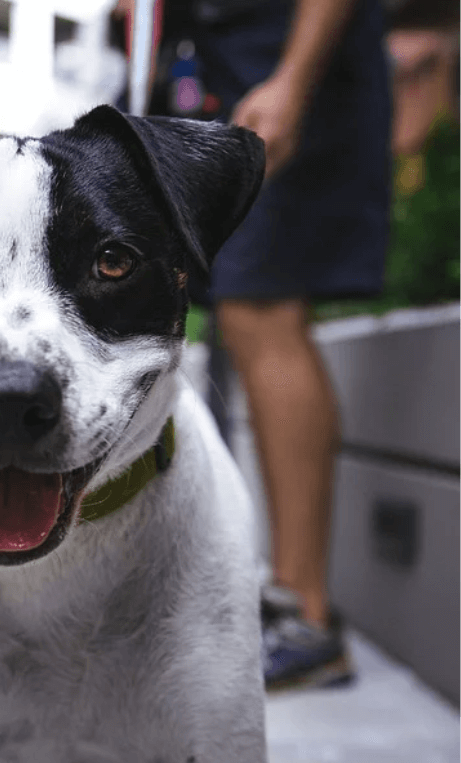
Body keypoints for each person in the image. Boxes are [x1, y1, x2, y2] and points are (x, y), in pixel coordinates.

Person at [115, 0, 393, 691]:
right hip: (214, 59)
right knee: (214, 314)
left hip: (284, 58)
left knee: (260, 310)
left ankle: (306, 617)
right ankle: (245, 598)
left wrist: (294, 78)